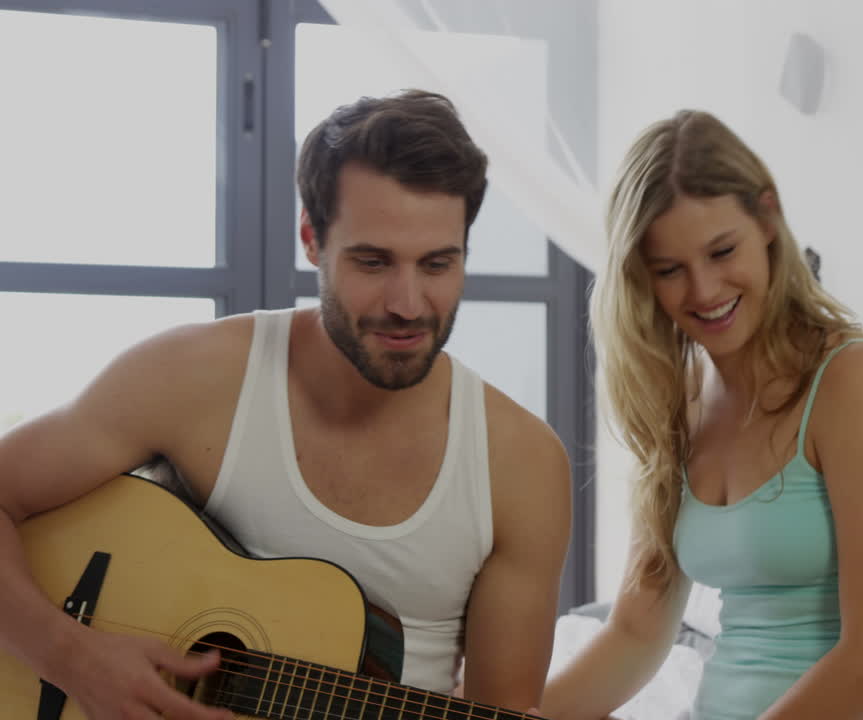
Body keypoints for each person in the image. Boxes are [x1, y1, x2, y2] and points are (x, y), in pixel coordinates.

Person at [0, 89, 570, 719]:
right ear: (310, 238)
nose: (408, 303)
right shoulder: (196, 377)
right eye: (373, 261)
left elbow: (504, 706)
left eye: (438, 263)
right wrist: (73, 659)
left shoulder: (520, 466)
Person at [541, 110, 863, 720]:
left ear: (767, 219)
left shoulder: (855, 381)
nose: (703, 290)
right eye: (670, 270)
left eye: (723, 251)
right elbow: (637, 634)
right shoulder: (680, 401)